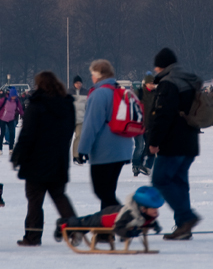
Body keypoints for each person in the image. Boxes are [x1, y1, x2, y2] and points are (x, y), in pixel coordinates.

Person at [12, 71, 77, 246]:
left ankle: (32, 236)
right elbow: (70, 130)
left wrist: (18, 155)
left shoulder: (37, 104)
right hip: (59, 159)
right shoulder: (67, 104)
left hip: (36, 160)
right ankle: (74, 227)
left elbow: (27, 133)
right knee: (59, 195)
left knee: (34, 199)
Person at [148, 48, 202, 241]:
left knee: (160, 180)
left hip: (172, 143)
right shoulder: (188, 80)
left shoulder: (168, 83)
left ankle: (187, 218)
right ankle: (183, 227)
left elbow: (162, 115)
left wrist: (154, 142)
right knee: (179, 183)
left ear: (161, 66)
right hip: (190, 141)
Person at [77, 59, 134, 209]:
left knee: (101, 191)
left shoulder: (98, 94)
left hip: (105, 152)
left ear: (97, 75)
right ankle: (106, 230)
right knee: (109, 191)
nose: (91, 77)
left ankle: (128, 216)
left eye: (92, 74)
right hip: (123, 149)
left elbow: (91, 125)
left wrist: (82, 149)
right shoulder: (122, 92)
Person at [55, 186, 163, 244]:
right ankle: (62, 224)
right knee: (82, 224)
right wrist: (128, 233)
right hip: (103, 218)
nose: (156, 212)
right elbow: (118, 228)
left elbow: (149, 221)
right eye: (153, 208)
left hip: (110, 215)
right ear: (143, 209)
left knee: (83, 226)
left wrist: (155, 226)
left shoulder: (148, 215)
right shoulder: (129, 215)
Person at [0, 87, 24, 155]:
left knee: (12, 133)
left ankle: (11, 149)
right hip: (2, 118)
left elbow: (20, 108)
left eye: (15, 96)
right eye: (12, 96)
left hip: (11, 119)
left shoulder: (16, 101)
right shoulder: (4, 100)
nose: (14, 97)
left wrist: (22, 114)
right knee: (2, 133)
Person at [70, 76, 88, 161]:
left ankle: (76, 155)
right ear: (74, 84)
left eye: (80, 83)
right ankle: (63, 156)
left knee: (79, 137)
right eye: (77, 83)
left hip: (81, 118)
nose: (79, 84)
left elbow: (88, 105)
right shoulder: (69, 92)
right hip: (70, 119)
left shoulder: (85, 92)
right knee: (68, 138)